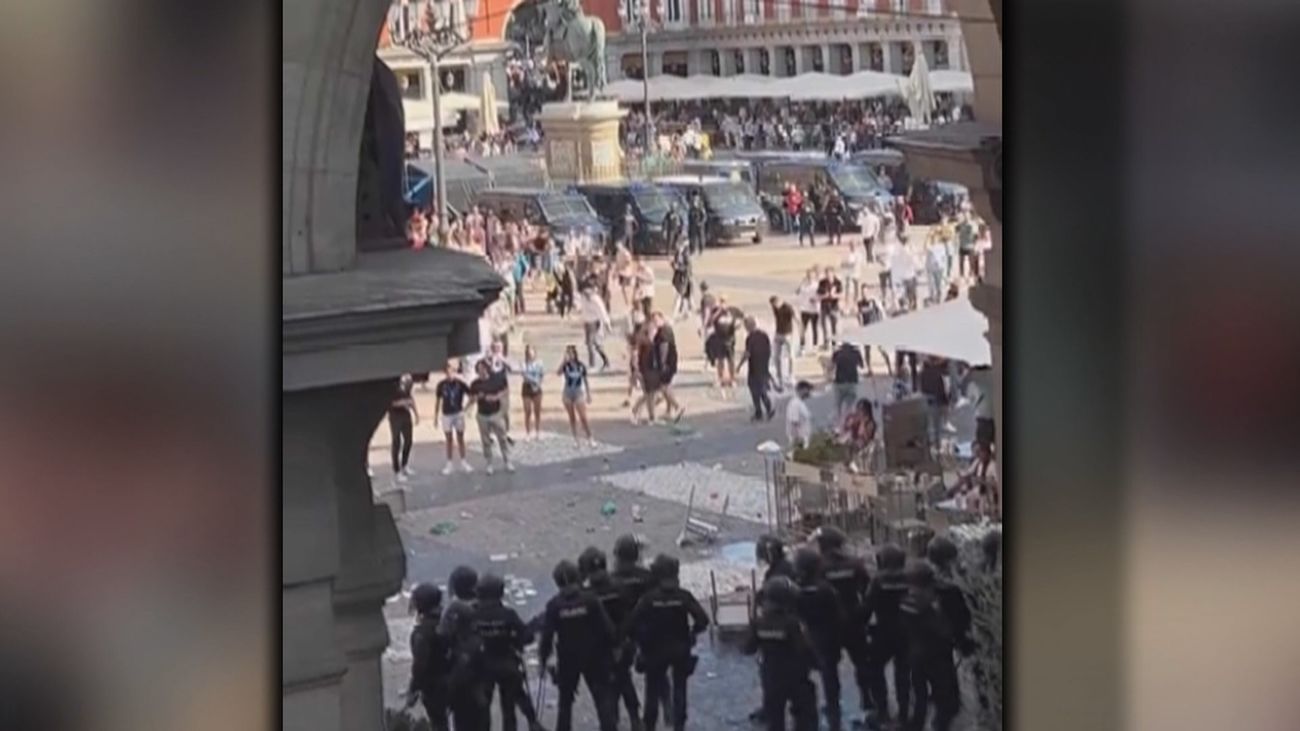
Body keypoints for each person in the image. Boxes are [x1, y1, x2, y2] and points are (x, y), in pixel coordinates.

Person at [623, 554, 710, 731]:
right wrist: (692, 635)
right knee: (680, 689)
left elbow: (631, 624)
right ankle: (679, 725)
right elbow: (703, 619)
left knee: (652, 691)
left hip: (654, 651)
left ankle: (650, 725)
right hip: (680, 648)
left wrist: (641, 640)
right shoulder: (684, 596)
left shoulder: (648, 599)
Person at [539, 560, 620, 731]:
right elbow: (607, 627)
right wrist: (614, 648)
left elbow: (547, 636)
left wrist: (543, 659)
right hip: (594, 655)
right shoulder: (591, 600)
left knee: (565, 702)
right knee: (602, 698)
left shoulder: (554, 605)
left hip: (568, 658)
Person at [814, 526, 875, 727]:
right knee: (862, 662)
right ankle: (867, 700)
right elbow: (868, 590)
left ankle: (833, 706)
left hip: (827, 624)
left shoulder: (818, 567)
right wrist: (863, 614)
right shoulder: (854, 564)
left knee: (829, 668)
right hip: (853, 621)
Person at [578, 548, 644, 731]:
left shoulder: (587, 595)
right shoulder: (620, 587)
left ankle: (611, 721)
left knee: (604, 689)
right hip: (622, 643)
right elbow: (630, 615)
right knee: (624, 679)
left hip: (598, 649)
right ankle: (634, 717)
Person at [742, 576, 819, 731]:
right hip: (796, 678)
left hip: (771, 677)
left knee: (775, 721)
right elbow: (804, 648)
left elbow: (747, 648)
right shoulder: (793, 623)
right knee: (805, 718)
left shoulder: (759, 623)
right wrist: (817, 664)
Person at [470, 573, 546, 731]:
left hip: (482, 668)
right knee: (509, 708)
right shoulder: (508, 615)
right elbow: (525, 638)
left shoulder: (473, 615)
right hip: (507, 664)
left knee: (482, 710)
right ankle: (532, 721)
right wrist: (536, 624)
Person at [792, 548, 849, 731]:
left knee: (802, 675)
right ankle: (833, 709)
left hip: (806, 637)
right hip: (827, 637)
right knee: (830, 676)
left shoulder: (796, 589)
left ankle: (804, 712)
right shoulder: (826, 590)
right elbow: (839, 615)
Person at [899, 561, 959, 731]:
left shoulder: (904, 601)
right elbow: (944, 631)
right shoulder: (931, 605)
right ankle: (939, 725)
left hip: (915, 655)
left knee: (920, 694)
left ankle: (916, 724)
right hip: (936, 658)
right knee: (943, 696)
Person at [864, 545, 910, 728]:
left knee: (875, 669)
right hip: (906, 632)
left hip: (883, 631)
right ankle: (904, 713)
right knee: (903, 673)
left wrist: (861, 625)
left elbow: (867, 606)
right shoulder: (910, 577)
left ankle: (882, 710)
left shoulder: (877, 580)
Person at [439, 566, 489, 729]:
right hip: (484, 670)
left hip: (462, 670)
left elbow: (443, 637)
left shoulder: (454, 609)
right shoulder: (485, 605)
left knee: (463, 720)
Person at [405, 583, 453, 731]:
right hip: (456, 680)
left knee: (439, 724)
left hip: (434, 687)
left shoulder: (422, 633)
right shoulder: (451, 623)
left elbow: (420, 665)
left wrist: (413, 689)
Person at [470, 358, 514, 474]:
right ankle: (489, 463)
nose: (482, 372)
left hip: (496, 413)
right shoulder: (475, 384)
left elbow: (505, 390)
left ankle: (507, 461)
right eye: (479, 370)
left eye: (483, 369)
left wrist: (496, 397)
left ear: (487, 369)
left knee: (502, 438)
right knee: (486, 440)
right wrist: (476, 398)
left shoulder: (495, 379)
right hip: (482, 414)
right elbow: (472, 398)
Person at [434, 361, 473, 475]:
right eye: (447, 372)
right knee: (449, 439)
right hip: (446, 414)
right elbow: (438, 401)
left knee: (460, 437)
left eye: (451, 371)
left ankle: (463, 461)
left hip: (458, 413)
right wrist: (435, 416)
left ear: (454, 372)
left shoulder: (460, 383)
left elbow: (471, 395)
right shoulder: (441, 385)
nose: (449, 374)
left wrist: (466, 409)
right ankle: (449, 463)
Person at [738, 315, 775, 422]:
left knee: (755, 390)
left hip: (754, 367)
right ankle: (767, 409)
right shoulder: (764, 335)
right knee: (762, 388)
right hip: (764, 366)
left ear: (748, 327)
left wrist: (739, 365)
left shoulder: (750, 338)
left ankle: (761, 411)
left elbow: (747, 353)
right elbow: (769, 350)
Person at [557, 345, 595, 447]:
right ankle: (576, 439)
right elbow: (558, 373)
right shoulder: (566, 366)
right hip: (568, 392)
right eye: (568, 353)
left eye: (571, 353)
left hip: (578, 392)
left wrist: (588, 393)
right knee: (572, 417)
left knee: (583, 417)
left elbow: (585, 380)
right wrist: (563, 362)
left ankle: (589, 437)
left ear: (575, 354)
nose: (570, 356)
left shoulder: (581, 366)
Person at [651, 312, 684, 421]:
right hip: (671, 362)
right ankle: (668, 411)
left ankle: (677, 406)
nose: (655, 322)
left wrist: (662, 364)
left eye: (657, 320)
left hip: (666, 364)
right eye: (654, 321)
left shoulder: (663, 332)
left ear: (662, 319)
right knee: (667, 386)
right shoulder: (666, 329)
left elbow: (663, 347)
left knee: (663, 387)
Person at [705, 298, 739, 399]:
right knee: (720, 360)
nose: (723, 304)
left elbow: (738, 322)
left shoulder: (732, 311)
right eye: (721, 301)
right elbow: (709, 323)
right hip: (719, 339)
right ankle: (720, 378)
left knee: (731, 360)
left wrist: (736, 324)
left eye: (724, 301)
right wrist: (719, 311)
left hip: (729, 340)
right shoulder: (716, 312)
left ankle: (732, 379)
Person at [388, 373, 419, 484]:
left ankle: (404, 465)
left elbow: (411, 401)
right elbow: (390, 403)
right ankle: (396, 471)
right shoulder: (393, 389)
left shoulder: (407, 391)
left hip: (406, 416)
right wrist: (403, 403)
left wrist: (416, 414)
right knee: (396, 442)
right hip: (395, 417)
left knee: (408, 441)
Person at [918, 356, 950, 455]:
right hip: (937, 402)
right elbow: (942, 390)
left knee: (928, 427)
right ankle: (937, 446)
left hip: (926, 402)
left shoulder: (922, 374)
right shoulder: (938, 374)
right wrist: (946, 402)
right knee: (937, 427)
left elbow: (922, 389)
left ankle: (928, 446)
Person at [839, 398, 878, 474]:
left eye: (860, 410)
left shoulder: (870, 423)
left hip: (866, 446)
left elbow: (864, 436)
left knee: (851, 444)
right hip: (856, 444)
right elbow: (846, 429)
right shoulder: (856, 420)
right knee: (845, 443)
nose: (858, 411)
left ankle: (856, 467)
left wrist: (862, 422)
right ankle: (850, 465)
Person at [579, 287, 613, 371]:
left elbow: (603, 312)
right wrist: (582, 321)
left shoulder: (596, 300)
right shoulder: (583, 299)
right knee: (594, 344)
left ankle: (592, 364)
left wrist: (607, 325)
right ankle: (606, 361)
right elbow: (582, 310)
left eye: (588, 293)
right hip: (587, 323)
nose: (586, 295)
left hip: (594, 322)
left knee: (590, 344)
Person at [830, 341, 865, 420]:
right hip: (852, 382)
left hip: (839, 382)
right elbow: (862, 366)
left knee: (838, 406)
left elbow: (831, 367)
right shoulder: (856, 353)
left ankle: (839, 424)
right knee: (849, 407)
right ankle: (848, 423)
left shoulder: (837, 353)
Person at [769, 295, 797, 392]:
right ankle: (779, 375)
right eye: (773, 305)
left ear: (778, 302)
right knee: (776, 356)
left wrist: (800, 327)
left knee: (791, 355)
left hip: (788, 334)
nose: (774, 307)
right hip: (778, 333)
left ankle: (791, 374)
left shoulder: (787, 308)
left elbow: (795, 317)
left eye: (775, 304)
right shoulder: (774, 308)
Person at [520, 345, 545, 441]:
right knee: (527, 411)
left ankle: (538, 431)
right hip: (527, 388)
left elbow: (542, 374)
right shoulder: (524, 364)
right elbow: (524, 375)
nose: (530, 355)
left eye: (532, 353)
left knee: (537, 411)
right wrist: (534, 381)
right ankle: (528, 432)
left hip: (537, 389)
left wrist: (539, 383)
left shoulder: (539, 363)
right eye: (529, 353)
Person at [891, 234, 920, 311]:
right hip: (910, 276)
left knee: (906, 298)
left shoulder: (897, 251)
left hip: (903, 277)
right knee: (912, 298)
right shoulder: (909, 250)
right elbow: (915, 262)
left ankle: (909, 307)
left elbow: (894, 266)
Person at [796, 269, 821, 356]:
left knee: (814, 329)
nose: (810, 277)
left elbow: (821, 296)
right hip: (804, 309)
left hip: (814, 310)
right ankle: (802, 347)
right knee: (803, 329)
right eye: (809, 275)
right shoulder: (804, 285)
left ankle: (815, 347)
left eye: (812, 275)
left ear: (814, 276)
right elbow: (797, 292)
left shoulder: (817, 285)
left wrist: (816, 300)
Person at [817, 265, 844, 347]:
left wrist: (834, 295)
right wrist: (825, 295)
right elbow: (818, 295)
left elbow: (841, 295)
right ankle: (826, 342)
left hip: (834, 307)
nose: (828, 275)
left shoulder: (838, 282)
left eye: (830, 273)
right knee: (824, 326)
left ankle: (834, 342)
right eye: (827, 273)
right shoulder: (822, 282)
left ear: (833, 273)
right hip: (824, 307)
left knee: (834, 326)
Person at [785, 380, 814, 450]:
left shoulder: (800, 403)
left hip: (803, 440)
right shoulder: (795, 404)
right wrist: (798, 442)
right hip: (800, 441)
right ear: (802, 390)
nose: (809, 393)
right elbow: (794, 423)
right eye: (808, 390)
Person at [925, 232, 950, 306]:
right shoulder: (930, 246)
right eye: (933, 238)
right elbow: (925, 248)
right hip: (931, 268)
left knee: (938, 284)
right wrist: (927, 238)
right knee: (932, 285)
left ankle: (938, 299)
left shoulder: (941, 247)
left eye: (935, 238)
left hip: (939, 268)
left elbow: (944, 258)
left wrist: (945, 268)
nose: (934, 239)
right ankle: (933, 298)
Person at [670, 243, 692, 321]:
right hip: (678, 278)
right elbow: (675, 264)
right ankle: (686, 312)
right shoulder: (677, 253)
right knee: (684, 297)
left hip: (684, 278)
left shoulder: (686, 254)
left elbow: (687, 268)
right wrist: (673, 265)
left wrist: (678, 267)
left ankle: (674, 315)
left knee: (679, 296)